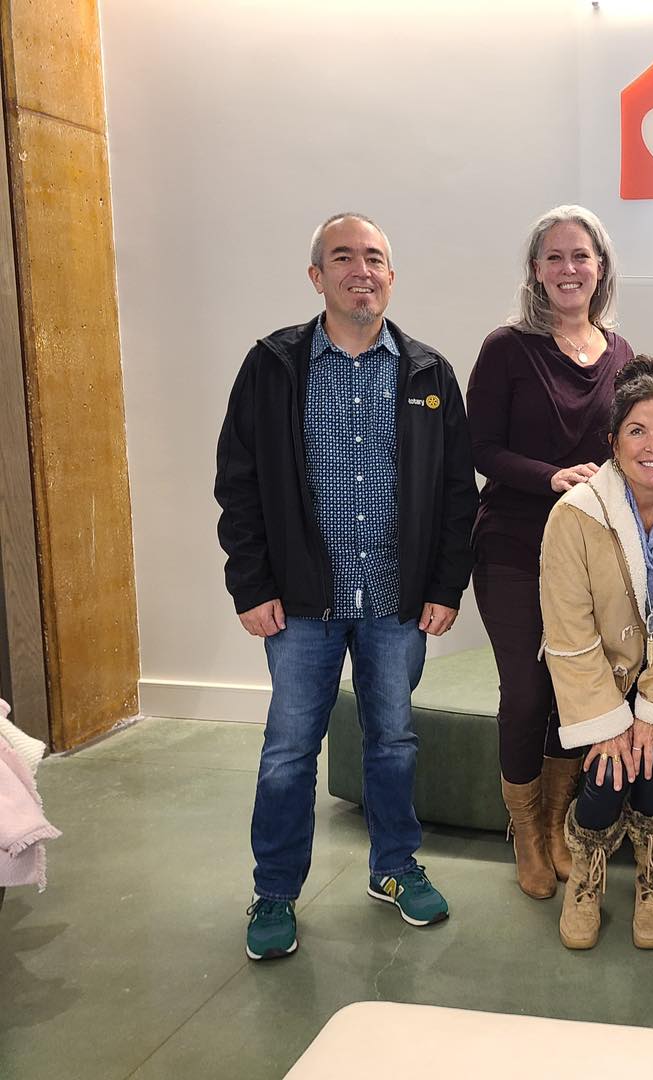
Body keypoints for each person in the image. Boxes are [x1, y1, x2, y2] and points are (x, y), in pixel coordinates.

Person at [216, 212, 478, 960]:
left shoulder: (427, 373)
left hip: (396, 600)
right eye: (343, 257)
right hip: (302, 603)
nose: (361, 270)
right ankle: (275, 891)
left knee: (393, 741)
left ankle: (393, 867)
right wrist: (250, 584)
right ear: (317, 276)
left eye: (374, 258)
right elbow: (238, 482)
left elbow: (457, 493)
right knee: (289, 750)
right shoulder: (272, 366)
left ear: (391, 276)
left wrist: (445, 586)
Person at [467, 205, 633, 900]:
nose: (569, 269)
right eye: (555, 257)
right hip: (511, 545)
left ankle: (560, 822)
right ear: (536, 270)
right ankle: (527, 835)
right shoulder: (507, 348)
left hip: (587, 555)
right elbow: (480, 449)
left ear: (601, 267)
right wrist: (551, 477)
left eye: (581, 256)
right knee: (527, 693)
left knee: (574, 692)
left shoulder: (620, 354)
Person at [538, 357, 653, 950]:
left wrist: (652, 708)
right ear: (613, 443)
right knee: (608, 768)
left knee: (652, 764)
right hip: (593, 677)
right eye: (637, 431)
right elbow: (569, 634)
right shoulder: (575, 514)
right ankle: (586, 880)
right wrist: (610, 721)